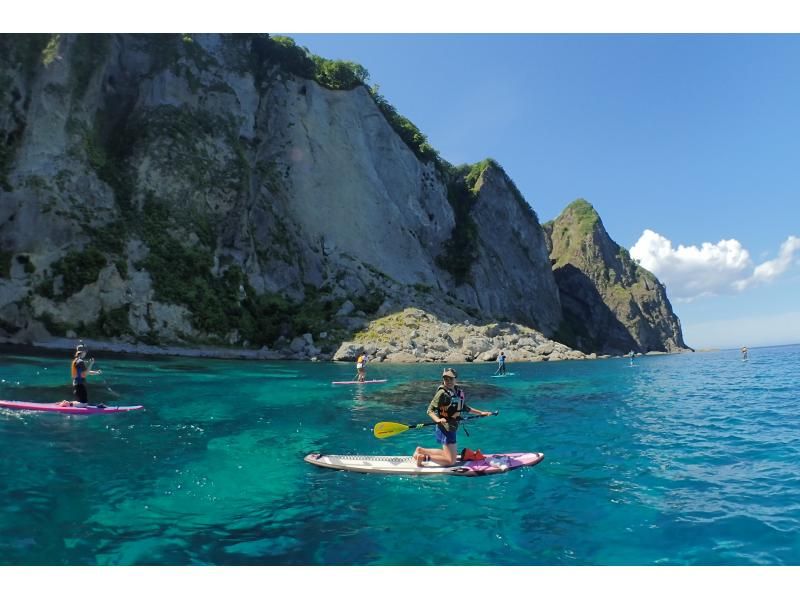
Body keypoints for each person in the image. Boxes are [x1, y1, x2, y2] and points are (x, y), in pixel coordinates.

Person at [412, 368, 491, 466]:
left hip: (452, 426)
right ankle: (423, 458)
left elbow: (464, 407)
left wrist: (481, 413)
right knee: (451, 461)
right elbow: (430, 410)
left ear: (455, 379)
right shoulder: (442, 393)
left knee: (446, 454)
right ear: (443, 380)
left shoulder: (457, 391)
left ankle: (421, 450)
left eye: (451, 379)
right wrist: (438, 419)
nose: (448, 381)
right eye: (446, 379)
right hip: (446, 428)